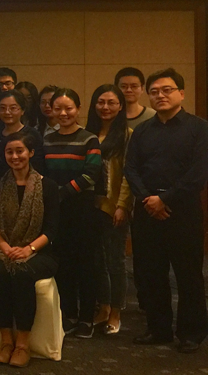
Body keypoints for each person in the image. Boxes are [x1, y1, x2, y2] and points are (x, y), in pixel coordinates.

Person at [125, 68, 208, 353]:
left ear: (181, 94)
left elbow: (198, 174)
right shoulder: (142, 131)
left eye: (167, 90)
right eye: (155, 91)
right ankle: (158, 329)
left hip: (183, 212)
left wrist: (166, 200)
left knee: (188, 274)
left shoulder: (199, 128)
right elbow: (131, 168)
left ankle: (191, 333)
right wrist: (148, 199)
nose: (160, 95)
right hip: (147, 211)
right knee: (151, 274)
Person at [0, 131, 59, 368]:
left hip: (40, 252)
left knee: (22, 272)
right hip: (3, 249)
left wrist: (28, 249)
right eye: (10, 151)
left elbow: (52, 230)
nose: (15, 156)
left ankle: (23, 345)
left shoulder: (48, 186)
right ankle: (6, 341)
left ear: (31, 153)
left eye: (20, 151)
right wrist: (6, 248)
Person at [43, 88, 103, 338]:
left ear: (78, 109)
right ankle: (68, 314)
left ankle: (87, 318)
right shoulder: (46, 139)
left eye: (69, 108)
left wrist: (61, 193)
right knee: (63, 263)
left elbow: (92, 174)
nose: (63, 113)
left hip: (82, 209)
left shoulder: (89, 139)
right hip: (56, 210)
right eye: (58, 108)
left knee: (87, 264)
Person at [83, 84, 131, 335]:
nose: (105, 107)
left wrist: (123, 205)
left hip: (114, 206)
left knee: (115, 260)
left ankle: (116, 311)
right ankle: (102, 306)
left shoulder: (127, 135)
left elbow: (128, 175)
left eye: (111, 102)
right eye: (101, 102)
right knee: (97, 260)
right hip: (90, 205)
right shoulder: (88, 132)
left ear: (121, 106)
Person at [0, 90, 46, 173]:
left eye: (13, 108)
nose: (7, 112)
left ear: (22, 110)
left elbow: (38, 164)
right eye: (2, 108)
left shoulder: (32, 134)